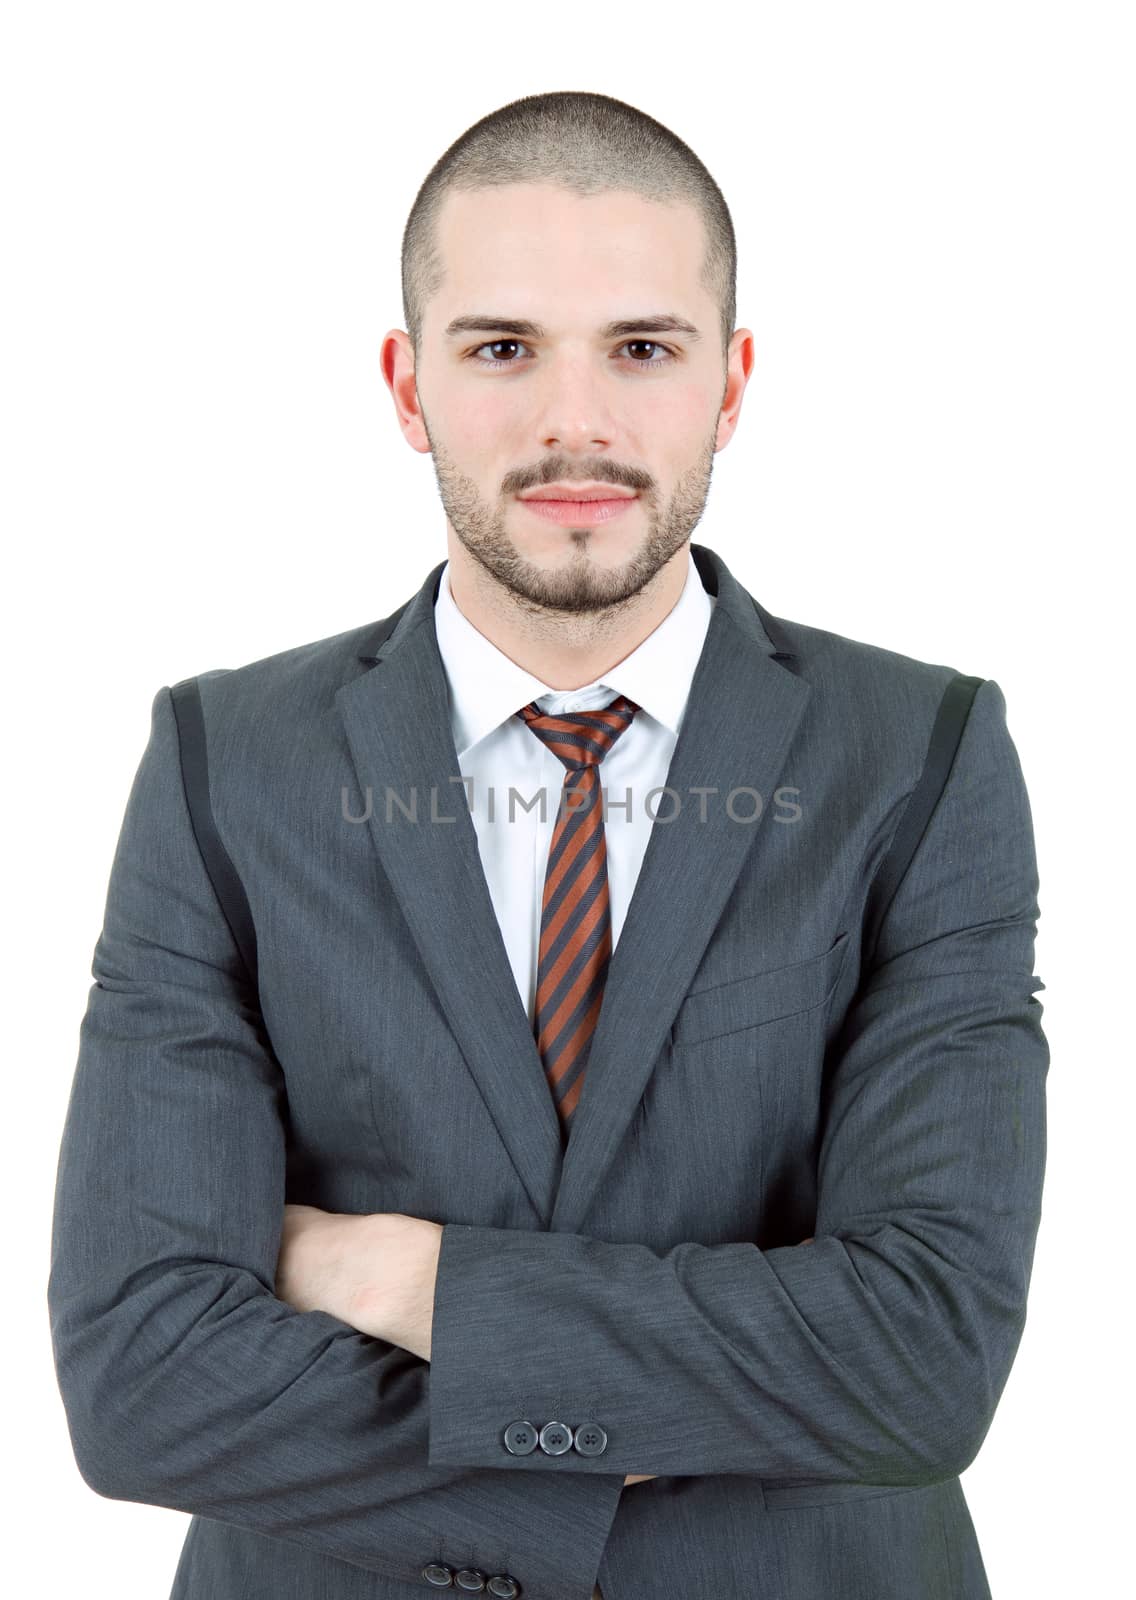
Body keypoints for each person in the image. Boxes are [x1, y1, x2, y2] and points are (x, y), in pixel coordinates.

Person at [48, 91, 1048, 1600]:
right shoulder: (223, 764)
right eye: (502, 348)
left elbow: (918, 1362)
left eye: (642, 349)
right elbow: (139, 1379)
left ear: (732, 382)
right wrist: (680, 1402)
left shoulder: (919, 757)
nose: (575, 422)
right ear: (407, 385)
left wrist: (393, 1277)